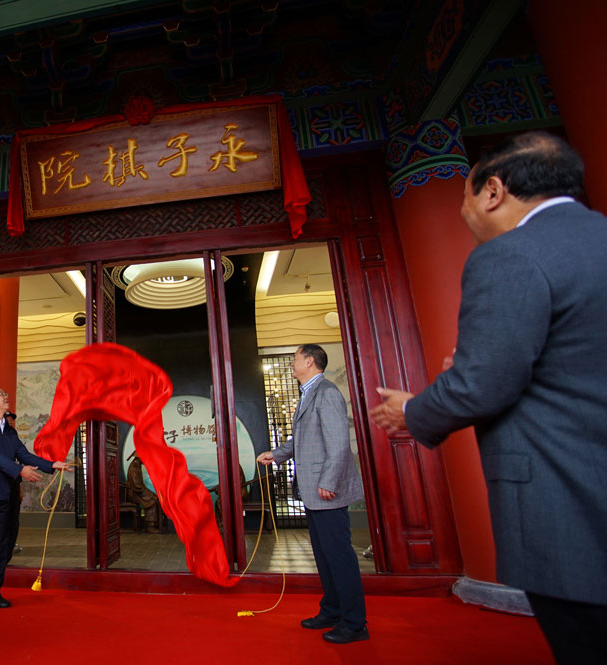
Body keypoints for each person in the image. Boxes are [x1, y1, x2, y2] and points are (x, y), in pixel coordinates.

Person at [370, 131, 607, 664]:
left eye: (464, 199)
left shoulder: (510, 255)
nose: (464, 213)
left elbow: (483, 383)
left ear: (494, 192)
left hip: (572, 504)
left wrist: (411, 409)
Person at [257, 344, 367, 644]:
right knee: (324, 555)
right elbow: (301, 440)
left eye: (294, 360)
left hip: (325, 490)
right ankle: (331, 610)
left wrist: (329, 481)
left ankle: (355, 623)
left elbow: (339, 443)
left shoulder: (327, 393)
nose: (292, 365)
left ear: (309, 361)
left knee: (339, 556)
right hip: (314, 491)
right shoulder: (308, 393)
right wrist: (276, 455)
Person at [0, 386, 69, 614]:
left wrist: (51, 465)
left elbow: (24, 454)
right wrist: (19, 471)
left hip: (2, 496)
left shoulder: (10, 431)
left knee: (0, 547)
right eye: (0, 394)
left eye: (6, 394)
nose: (6, 397)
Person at [3, 411, 24, 558]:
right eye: (8, 420)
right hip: (0, 483)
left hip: (14, 482)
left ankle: (10, 547)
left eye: (12, 421)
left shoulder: (12, 434)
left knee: (13, 520)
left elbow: (22, 457)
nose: (11, 423)